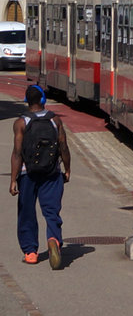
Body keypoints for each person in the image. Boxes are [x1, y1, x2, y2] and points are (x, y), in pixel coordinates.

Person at [9, 84, 70, 269]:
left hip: (28, 174)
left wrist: (13, 179)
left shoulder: (21, 123)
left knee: (27, 212)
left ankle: (30, 252)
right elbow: (63, 147)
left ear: (27, 101)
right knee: (52, 210)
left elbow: (17, 153)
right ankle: (53, 239)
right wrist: (67, 169)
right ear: (43, 100)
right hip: (52, 172)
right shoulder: (55, 120)